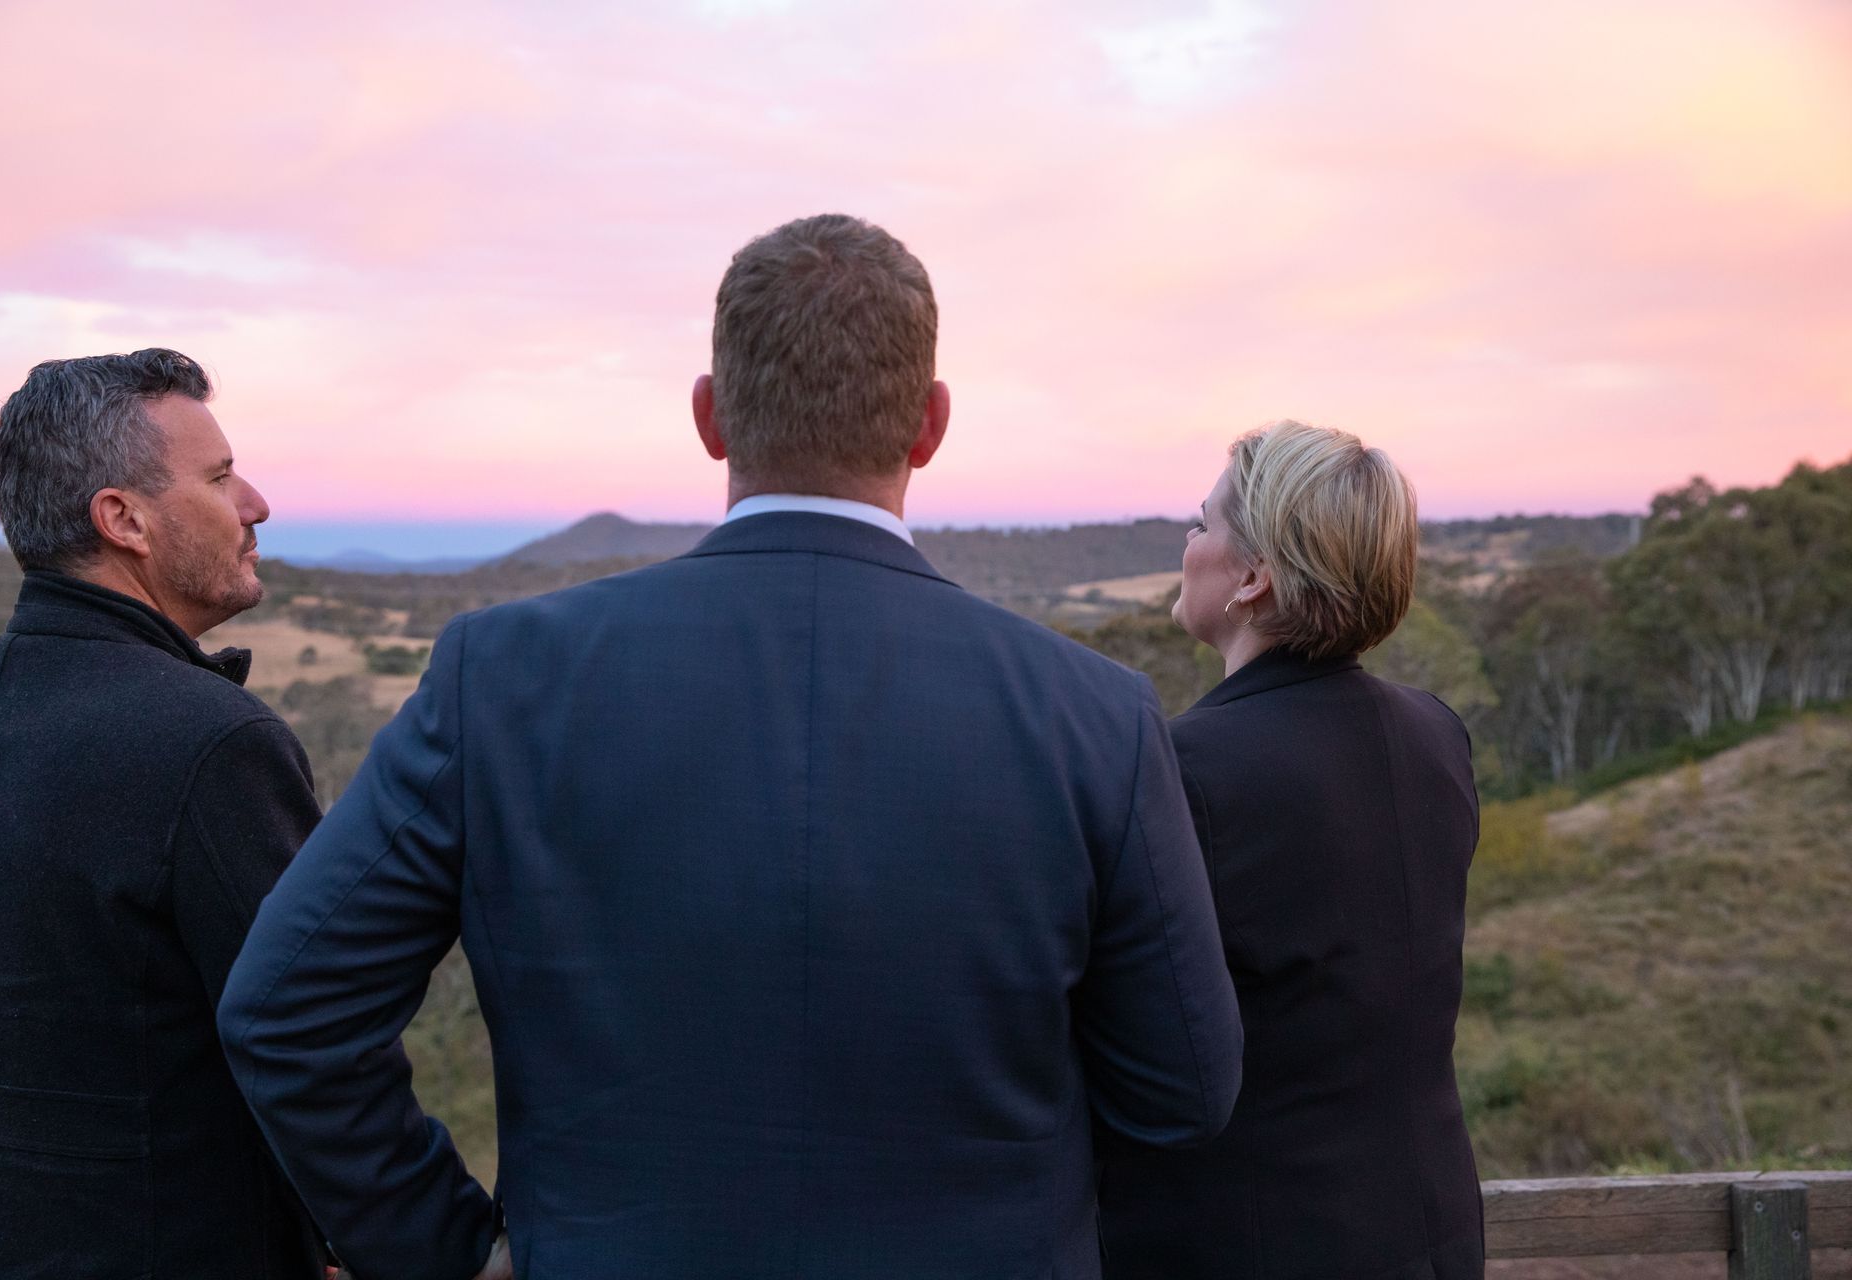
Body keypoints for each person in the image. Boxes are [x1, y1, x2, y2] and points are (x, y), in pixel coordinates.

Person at [218, 213, 1245, 1280]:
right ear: (930, 425)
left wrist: (446, 1248)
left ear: (710, 416)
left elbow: (287, 1008)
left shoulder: (504, 675)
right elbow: (1184, 1091)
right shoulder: (1095, 713)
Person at [0, 349, 326, 1278]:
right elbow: (313, 1041)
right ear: (124, 520)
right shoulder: (210, 743)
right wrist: (425, 1247)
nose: (255, 503)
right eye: (221, 476)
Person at [1097, 420, 1485, 1278]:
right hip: (1434, 1232)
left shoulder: (1176, 769)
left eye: (1203, 525)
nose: (1187, 543)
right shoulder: (1437, 736)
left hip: (1246, 1241)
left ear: (1254, 576)